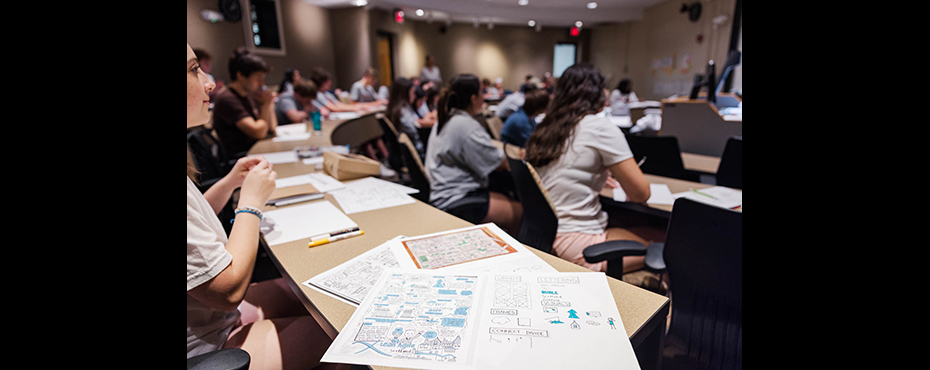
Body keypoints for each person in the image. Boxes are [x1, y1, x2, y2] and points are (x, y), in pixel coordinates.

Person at [187, 44, 334, 370]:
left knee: (315, 292)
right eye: (194, 69)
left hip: (213, 320)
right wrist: (251, 203)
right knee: (338, 331)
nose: (210, 82)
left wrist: (229, 183)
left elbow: (194, 223)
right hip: (205, 347)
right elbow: (228, 290)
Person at [525, 63, 661, 274]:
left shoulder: (546, 127)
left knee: (628, 219)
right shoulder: (599, 127)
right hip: (579, 245)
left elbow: (565, 170)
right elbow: (641, 194)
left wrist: (595, 174)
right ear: (597, 93)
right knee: (668, 239)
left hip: (543, 236)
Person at [425, 74, 522, 234]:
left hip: (444, 191)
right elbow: (499, 163)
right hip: (455, 198)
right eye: (481, 93)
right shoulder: (465, 125)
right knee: (519, 212)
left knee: (504, 194)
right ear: (473, 98)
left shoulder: (449, 118)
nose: (483, 97)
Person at [212, 47, 278, 159]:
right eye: (258, 78)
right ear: (241, 75)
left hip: (257, 152)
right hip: (240, 159)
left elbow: (271, 127)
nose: (262, 84)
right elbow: (259, 133)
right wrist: (265, 105)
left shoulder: (249, 95)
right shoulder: (228, 99)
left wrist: (269, 102)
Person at [308, 67, 380, 117]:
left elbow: (338, 104)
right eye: (327, 81)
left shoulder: (326, 93)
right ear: (321, 82)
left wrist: (358, 107)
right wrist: (356, 107)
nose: (330, 83)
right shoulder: (318, 95)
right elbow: (334, 108)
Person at [387, 78, 431, 159]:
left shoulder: (399, 108)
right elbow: (413, 131)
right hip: (417, 151)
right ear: (404, 94)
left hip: (412, 150)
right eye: (412, 93)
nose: (414, 96)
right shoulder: (402, 112)